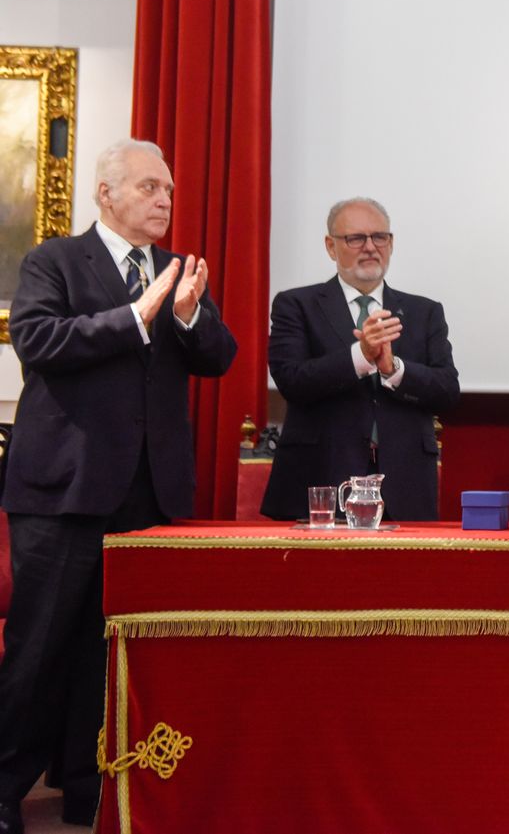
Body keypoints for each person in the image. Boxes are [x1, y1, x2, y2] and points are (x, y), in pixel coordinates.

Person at [0, 139, 237, 832]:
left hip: (147, 496)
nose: (164, 200)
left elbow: (218, 358)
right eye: (148, 188)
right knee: (40, 650)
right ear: (107, 194)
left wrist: (188, 314)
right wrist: (138, 315)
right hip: (65, 491)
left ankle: (88, 790)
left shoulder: (174, 269)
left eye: (168, 189)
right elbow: (40, 341)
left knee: (110, 653)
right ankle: (5, 788)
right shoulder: (55, 260)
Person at [259, 197, 461, 521]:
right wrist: (360, 356)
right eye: (356, 238)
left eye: (379, 237)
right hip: (321, 477)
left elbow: (447, 390)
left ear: (391, 243)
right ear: (330, 246)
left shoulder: (425, 312)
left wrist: (394, 370)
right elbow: (292, 380)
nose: (370, 247)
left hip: (404, 483)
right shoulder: (296, 305)